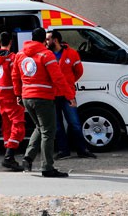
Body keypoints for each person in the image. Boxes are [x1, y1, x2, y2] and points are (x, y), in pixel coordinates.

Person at [11, 27, 73, 178]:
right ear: (44, 40)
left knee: (40, 128)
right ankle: (47, 167)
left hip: (27, 98)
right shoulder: (46, 54)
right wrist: (69, 95)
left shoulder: (20, 55)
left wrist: (18, 95)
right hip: (43, 98)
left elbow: (15, 76)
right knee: (48, 132)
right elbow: (57, 78)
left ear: (31, 38)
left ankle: (28, 158)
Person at [47, 30, 97, 159]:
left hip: (67, 94)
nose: (46, 42)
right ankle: (64, 150)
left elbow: (78, 72)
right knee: (57, 125)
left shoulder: (71, 54)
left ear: (56, 40)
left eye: (48, 39)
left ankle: (82, 149)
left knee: (74, 123)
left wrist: (68, 83)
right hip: (52, 95)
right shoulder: (46, 55)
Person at [0, 31, 26, 171]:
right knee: (18, 125)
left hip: (0, 96)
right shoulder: (13, 58)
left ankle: (9, 154)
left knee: (7, 126)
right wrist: (19, 94)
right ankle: (9, 156)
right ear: (10, 42)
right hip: (12, 96)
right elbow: (16, 78)